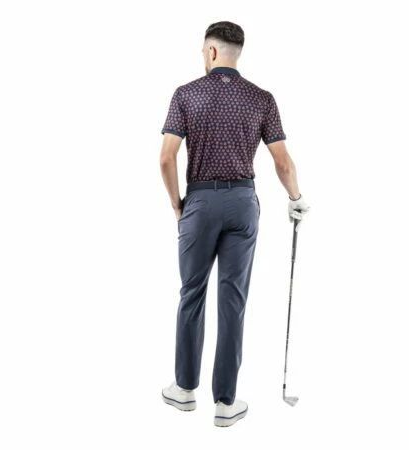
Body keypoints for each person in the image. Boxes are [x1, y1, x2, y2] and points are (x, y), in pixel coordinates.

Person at [159, 20, 310, 427]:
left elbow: (166, 158)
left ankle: (184, 390)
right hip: (243, 203)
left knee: (192, 293)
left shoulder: (186, 94)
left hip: (199, 202)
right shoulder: (262, 98)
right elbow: (283, 162)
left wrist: (177, 205)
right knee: (233, 300)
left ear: (211, 52)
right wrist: (296, 199)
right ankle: (225, 404)